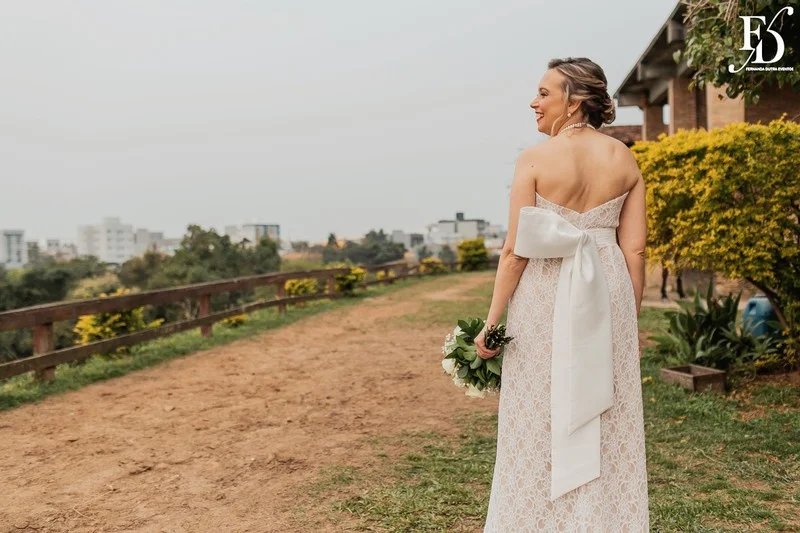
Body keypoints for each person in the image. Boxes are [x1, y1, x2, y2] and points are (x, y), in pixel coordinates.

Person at [476, 57, 650, 531]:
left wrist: (492, 324)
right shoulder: (624, 158)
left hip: (544, 294)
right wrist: (628, 321)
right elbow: (635, 250)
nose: (533, 103)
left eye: (543, 93)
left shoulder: (534, 159)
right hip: (607, 292)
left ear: (574, 102)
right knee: (607, 415)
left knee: (536, 412)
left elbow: (514, 252)